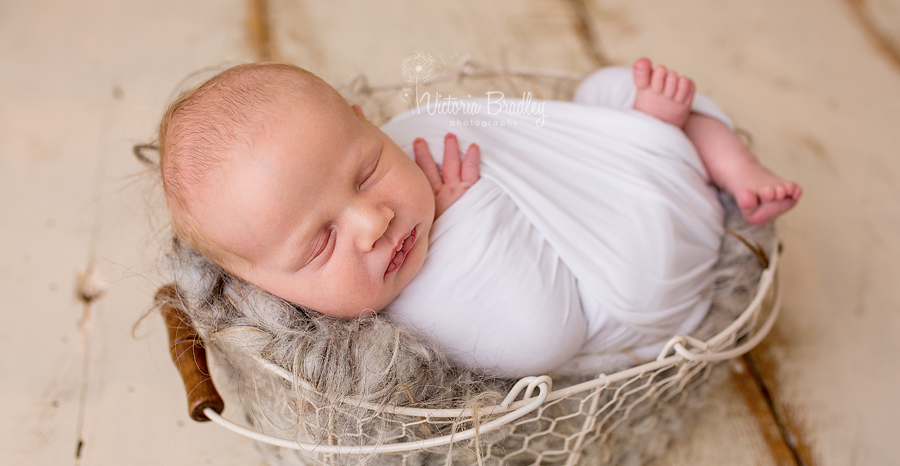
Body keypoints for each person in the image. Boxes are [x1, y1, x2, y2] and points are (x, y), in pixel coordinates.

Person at [157, 58, 800, 378]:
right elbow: (543, 340)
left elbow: (539, 137)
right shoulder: (383, 346)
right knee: (645, 237)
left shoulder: (420, 143)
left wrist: (618, 138)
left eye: (367, 171)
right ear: (264, 287)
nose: (373, 221)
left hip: (602, 182)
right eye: (321, 242)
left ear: (364, 120)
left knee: (613, 90)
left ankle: (722, 164)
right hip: (630, 272)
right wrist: (472, 218)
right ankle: (666, 149)